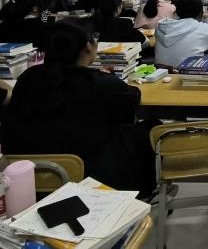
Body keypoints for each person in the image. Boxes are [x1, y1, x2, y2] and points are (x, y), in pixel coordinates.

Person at [1, 20, 159, 196]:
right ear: (88, 46)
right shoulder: (101, 83)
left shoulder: (28, 77)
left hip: (31, 172)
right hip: (88, 171)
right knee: (150, 128)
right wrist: (107, 78)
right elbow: (132, 99)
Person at [155, 0, 208, 68]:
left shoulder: (161, 26)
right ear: (200, 13)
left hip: (161, 72)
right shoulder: (200, 28)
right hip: (188, 73)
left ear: (177, 11)